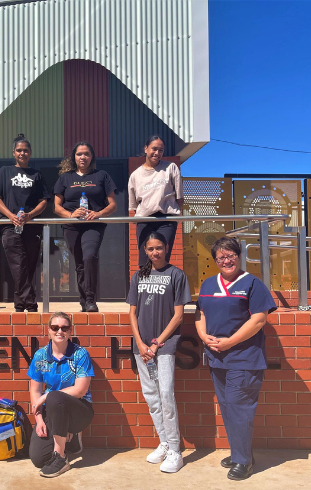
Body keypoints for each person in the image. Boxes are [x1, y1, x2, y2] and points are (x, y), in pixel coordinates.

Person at [195, 237, 277, 481]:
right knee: (228, 408)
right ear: (215, 260)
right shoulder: (208, 284)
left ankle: (244, 461)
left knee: (239, 408)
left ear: (239, 256)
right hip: (216, 358)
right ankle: (239, 452)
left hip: (244, 357)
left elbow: (259, 319)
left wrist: (230, 342)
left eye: (230, 255)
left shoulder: (252, 283)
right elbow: (200, 313)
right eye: (221, 257)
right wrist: (203, 336)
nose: (226, 260)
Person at [126, 232, 190, 473]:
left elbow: (179, 316)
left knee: (165, 394)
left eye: (159, 248)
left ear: (166, 248)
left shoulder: (177, 275)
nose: (155, 252)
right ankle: (164, 442)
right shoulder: (138, 276)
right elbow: (132, 313)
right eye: (151, 248)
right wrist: (141, 344)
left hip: (164, 346)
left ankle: (175, 449)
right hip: (142, 348)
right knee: (151, 396)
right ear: (145, 250)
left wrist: (155, 344)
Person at [0, 134, 51, 312]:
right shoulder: (4, 172)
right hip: (9, 225)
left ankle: (20, 302)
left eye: (25, 150)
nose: (22, 153)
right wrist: (10, 215)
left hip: (31, 225)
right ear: (13, 153)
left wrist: (30, 215)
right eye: (19, 150)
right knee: (18, 262)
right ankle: (30, 303)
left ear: (30, 153)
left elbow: (44, 201)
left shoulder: (36, 175)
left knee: (29, 264)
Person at [27, 312, 94, 478]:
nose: (59, 331)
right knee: (38, 458)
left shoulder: (80, 354)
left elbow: (80, 390)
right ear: (48, 330)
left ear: (70, 331)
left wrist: (46, 397)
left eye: (64, 328)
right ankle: (68, 439)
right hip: (53, 410)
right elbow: (35, 390)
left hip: (80, 410)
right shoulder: (40, 356)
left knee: (54, 396)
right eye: (55, 327)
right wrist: (39, 419)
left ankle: (61, 457)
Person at [53, 141, 117, 312]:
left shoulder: (102, 176)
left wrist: (98, 214)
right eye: (79, 154)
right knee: (80, 264)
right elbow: (57, 207)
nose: (83, 157)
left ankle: (90, 299)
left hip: (93, 224)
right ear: (74, 157)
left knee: (90, 257)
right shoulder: (65, 178)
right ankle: (84, 301)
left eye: (87, 154)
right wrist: (70, 215)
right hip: (72, 226)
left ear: (92, 157)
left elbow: (112, 205)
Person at [128, 135, 183, 268]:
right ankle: (144, 288)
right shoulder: (135, 175)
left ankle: (162, 288)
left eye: (161, 150)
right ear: (146, 149)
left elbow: (179, 197)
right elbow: (133, 205)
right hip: (144, 221)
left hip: (166, 219)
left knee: (160, 259)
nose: (157, 153)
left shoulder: (171, 168)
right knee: (144, 261)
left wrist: (175, 217)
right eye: (154, 149)